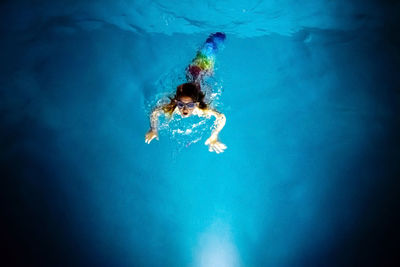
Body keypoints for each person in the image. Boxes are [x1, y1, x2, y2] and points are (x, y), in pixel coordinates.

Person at [145, 33, 227, 154]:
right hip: (192, 71)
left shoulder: (202, 108)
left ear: (196, 103)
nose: (184, 109)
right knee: (204, 56)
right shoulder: (172, 106)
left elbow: (222, 117)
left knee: (210, 48)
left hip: (199, 70)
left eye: (189, 105)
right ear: (176, 101)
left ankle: (216, 38)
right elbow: (154, 112)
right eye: (181, 104)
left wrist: (214, 136)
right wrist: (153, 129)